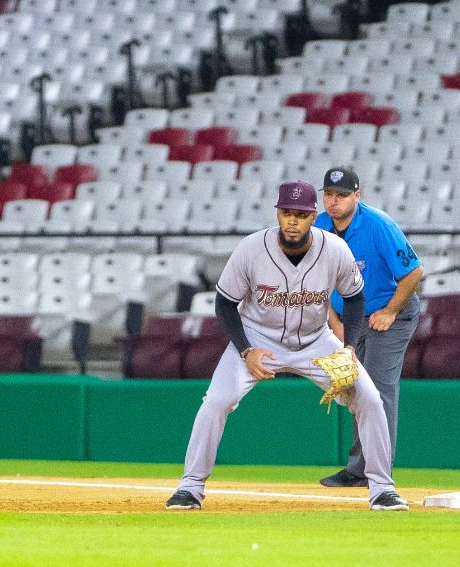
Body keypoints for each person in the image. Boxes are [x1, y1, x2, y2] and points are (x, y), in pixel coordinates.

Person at [166, 180, 409, 512]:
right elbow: (224, 304)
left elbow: (354, 299)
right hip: (257, 337)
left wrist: (349, 346)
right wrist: (245, 350)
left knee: (369, 398)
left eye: (301, 214)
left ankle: (382, 489)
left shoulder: (335, 249)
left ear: (313, 217)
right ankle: (190, 487)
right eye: (286, 213)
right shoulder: (251, 249)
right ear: (277, 214)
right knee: (216, 400)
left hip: (316, 340)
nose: (293, 221)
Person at [316, 167, 423, 489]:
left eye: (342, 195)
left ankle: (375, 470)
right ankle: (359, 468)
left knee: (377, 389)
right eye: (329, 195)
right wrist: (334, 323)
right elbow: (313, 281)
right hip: (349, 317)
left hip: (387, 313)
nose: (334, 202)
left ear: (357, 196)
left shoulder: (378, 224)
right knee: (353, 388)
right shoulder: (319, 226)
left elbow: (413, 272)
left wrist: (390, 311)